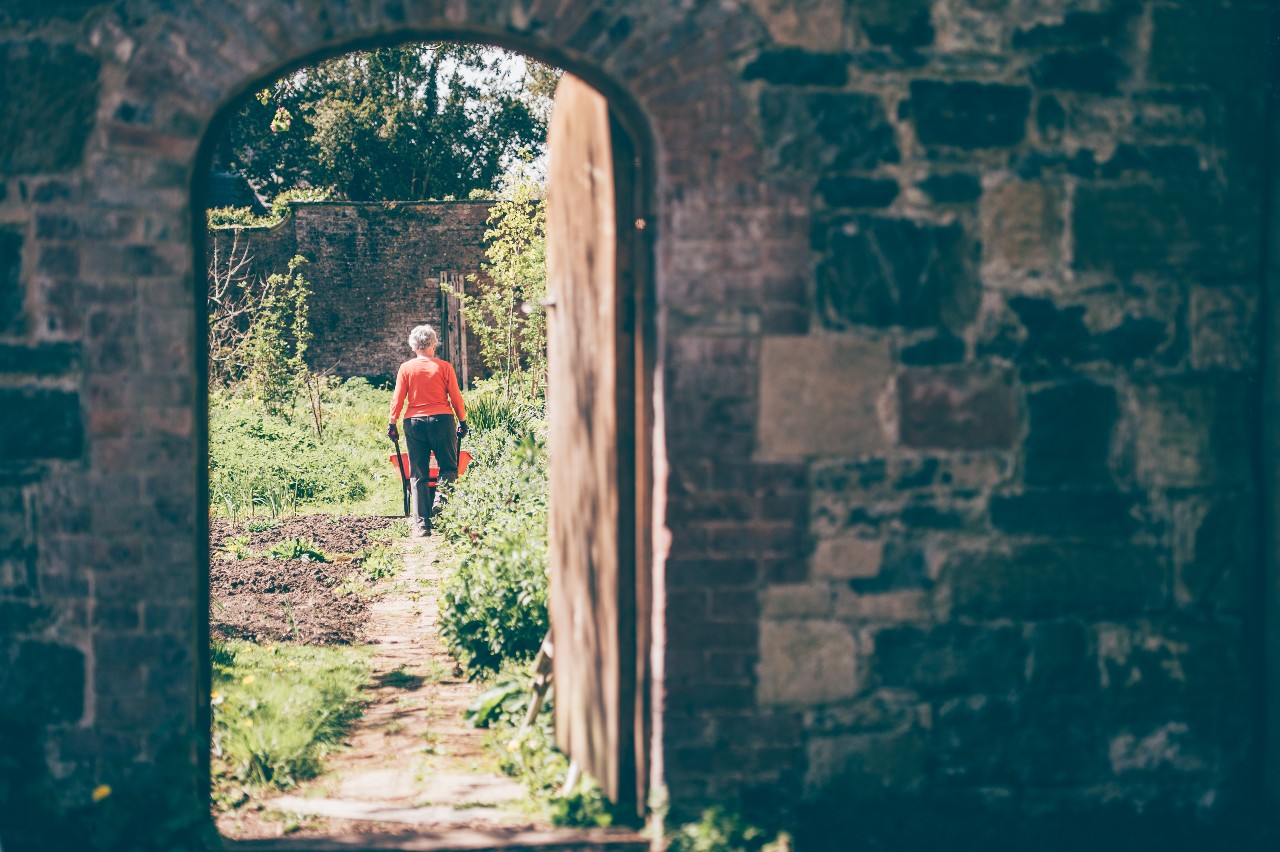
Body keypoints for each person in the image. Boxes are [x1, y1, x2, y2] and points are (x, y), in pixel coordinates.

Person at [387, 324, 467, 536]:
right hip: (442, 421)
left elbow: (398, 398)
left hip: (414, 423)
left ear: (413, 346)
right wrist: (462, 420)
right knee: (449, 467)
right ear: (434, 344)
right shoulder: (444, 367)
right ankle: (440, 502)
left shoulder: (406, 368)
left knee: (418, 474)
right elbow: (455, 397)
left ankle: (422, 525)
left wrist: (392, 422)